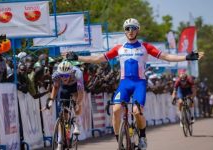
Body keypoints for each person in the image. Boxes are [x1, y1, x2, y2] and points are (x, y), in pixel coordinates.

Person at [65, 18, 204, 149]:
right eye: (127, 28)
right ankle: (119, 140)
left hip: (139, 84)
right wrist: (78, 57)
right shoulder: (119, 48)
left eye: (133, 28)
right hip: (124, 84)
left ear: (138, 30)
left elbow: (167, 56)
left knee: (137, 112)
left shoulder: (145, 47)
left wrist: (186, 57)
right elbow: (98, 59)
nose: (130, 31)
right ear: (124, 31)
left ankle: (142, 137)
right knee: (115, 110)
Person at [45, 60, 84, 148]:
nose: (64, 77)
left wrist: (78, 103)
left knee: (76, 103)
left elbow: (81, 93)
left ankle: (76, 122)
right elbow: (55, 87)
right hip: (64, 88)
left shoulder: (78, 74)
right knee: (64, 115)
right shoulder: (56, 75)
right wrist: (51, 100)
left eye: (66, 75)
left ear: (70, 73)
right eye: (62, 75)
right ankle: (60, 142)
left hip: (75, 87)